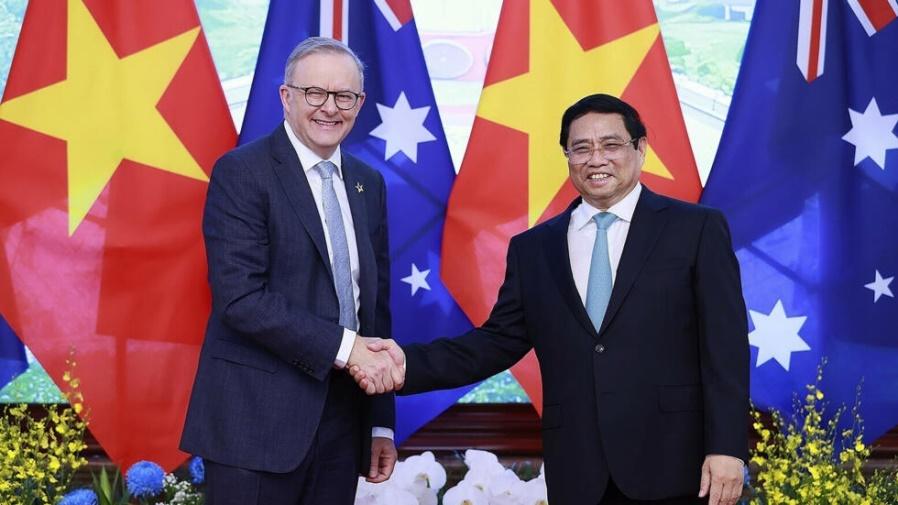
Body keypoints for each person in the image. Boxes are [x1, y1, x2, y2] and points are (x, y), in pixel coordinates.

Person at [355, 94, 749, 505]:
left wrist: (726, 447)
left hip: (677, 467)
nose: (596, 159)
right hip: (579, 473)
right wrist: (402, 365)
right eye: (581, 148)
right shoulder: (534, 249)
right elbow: (493, 344)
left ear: (641, 149)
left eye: (611, 145)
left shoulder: (697, 230)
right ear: (567, 156)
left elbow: (725, 350)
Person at [181, 37, 404, 505]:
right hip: (254, 426)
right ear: (286, 97)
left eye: (344, 96)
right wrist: (348, 350)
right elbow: (241, 298)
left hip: (343, 427)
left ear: (359, 104)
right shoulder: (242, 173)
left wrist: (379, 421)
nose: (330, 108)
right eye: (314, 93)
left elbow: (374, 307)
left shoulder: (369, 183)